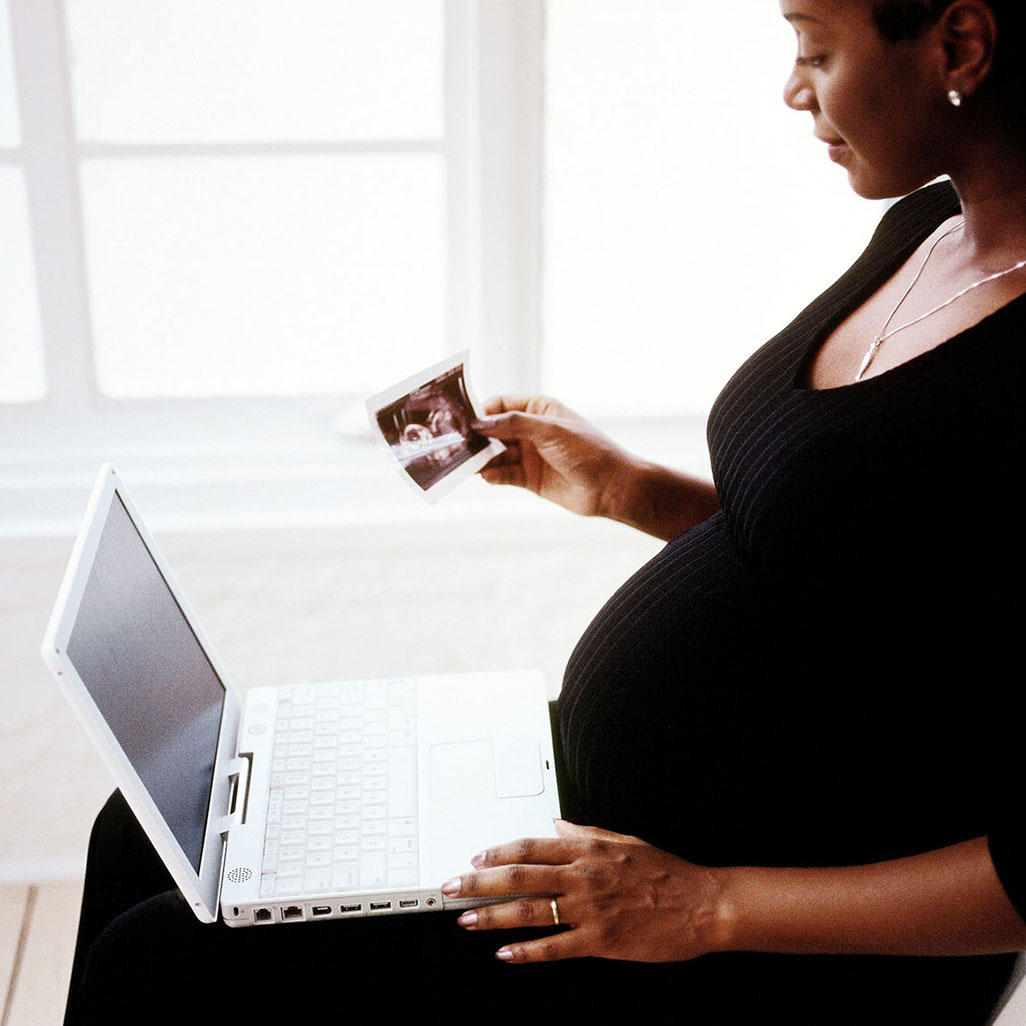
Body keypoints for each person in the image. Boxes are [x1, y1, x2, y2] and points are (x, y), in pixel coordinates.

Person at [64, 1, 1026, 1023]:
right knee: (139, 834)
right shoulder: (923, 227)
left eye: (814, 49)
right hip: (614, 821)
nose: (794, 87)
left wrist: (708, 906)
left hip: (741, 928)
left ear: (957, 46)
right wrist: (627, 491)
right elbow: (857, 568)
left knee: (159, 962)